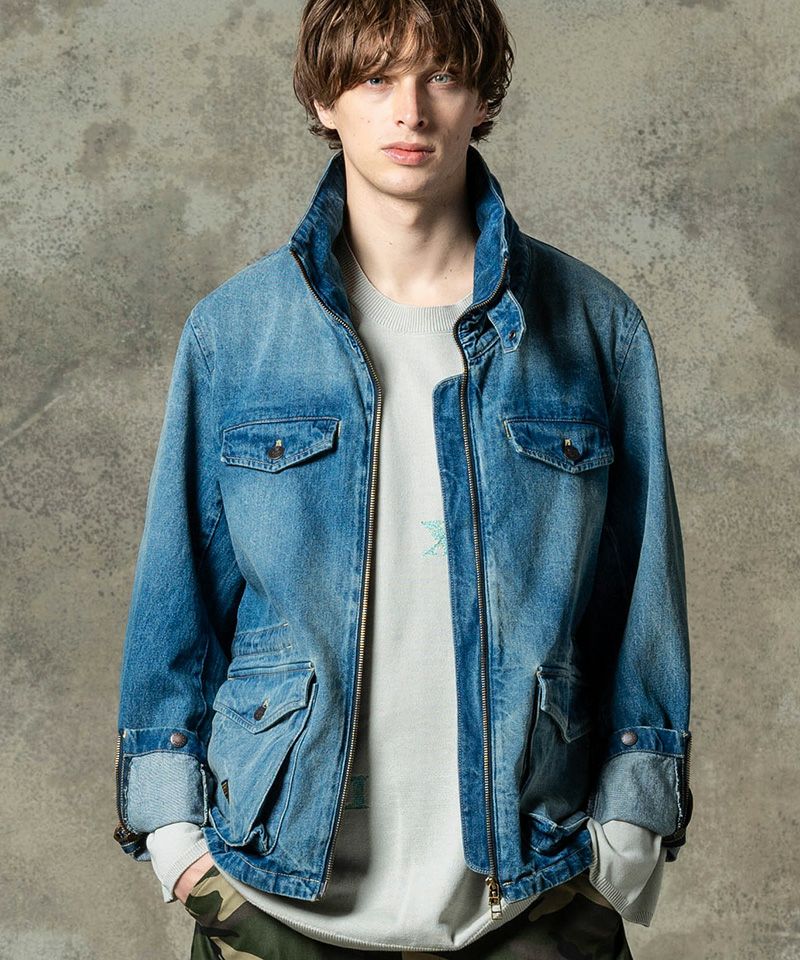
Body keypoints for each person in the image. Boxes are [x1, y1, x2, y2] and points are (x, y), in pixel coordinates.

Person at [113, 1, 693, 957]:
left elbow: (642, 605)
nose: (410, 111)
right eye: (375, 78)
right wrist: (181, 851)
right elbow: (177, 608)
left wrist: (622, 842)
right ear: (323, 99)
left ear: (483, 98)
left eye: (442, 76)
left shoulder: (596, 329)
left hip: (537, 898)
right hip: (271, 902)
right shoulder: (236, 334)